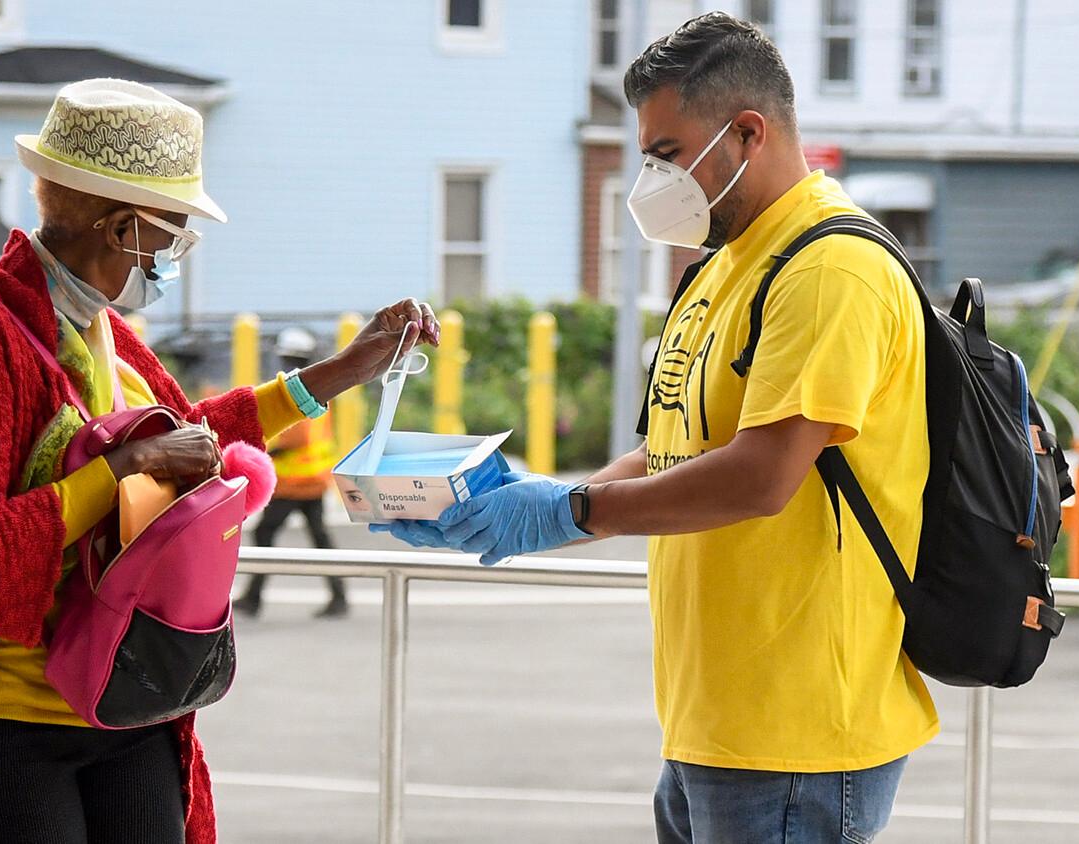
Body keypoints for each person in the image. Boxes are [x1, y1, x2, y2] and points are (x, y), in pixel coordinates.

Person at [377, 15, 936, 843]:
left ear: (748, 132)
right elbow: (673, 450)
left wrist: (572, 513)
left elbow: (761, 476)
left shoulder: (830, 269)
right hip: (715, 718)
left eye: (668, 154)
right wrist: (541, 503)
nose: (653, 178)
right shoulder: (726, 262)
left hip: (797, 732)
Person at [0, 78, 439, 844]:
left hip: (126, 700)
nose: (171, 255)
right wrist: (124, 470)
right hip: (11, 718)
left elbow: (196, 434)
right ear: (121, 225)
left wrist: (343, 369)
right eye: (172, 232)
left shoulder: (104, 330)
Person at [234, 327, 348, 619]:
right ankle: (339, 597)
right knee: (319, 539)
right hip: (313, 480)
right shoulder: (320, 384)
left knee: (265, 533)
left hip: (294, 484)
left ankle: (253, 598)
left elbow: (296, 437)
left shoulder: (299, 388)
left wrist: (262, 450)